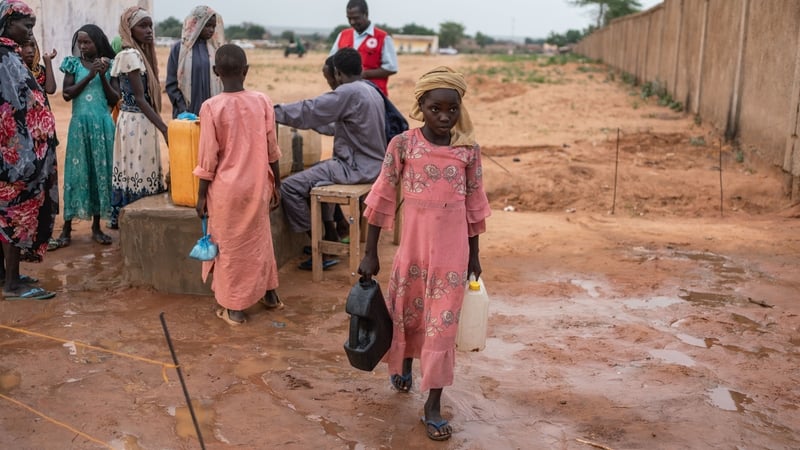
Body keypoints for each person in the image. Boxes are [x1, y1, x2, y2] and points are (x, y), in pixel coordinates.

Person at [357, 66, 491, 441]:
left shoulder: (468, 151)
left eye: (452, 109)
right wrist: (370, 253)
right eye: (436, 109)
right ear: (421, 106)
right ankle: (403, 366)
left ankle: (432, 404)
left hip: (452, 256)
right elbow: (381, 197)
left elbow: (474, 207)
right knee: (408, 315)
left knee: (442, 327)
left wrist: (474, 257)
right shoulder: (403, 145)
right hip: (412, 255)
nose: (445, 117)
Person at [193, 43, 282, 325]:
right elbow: (272, 150)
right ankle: (270, 295)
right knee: (259, 242)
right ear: (246, 71)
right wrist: (276, 184)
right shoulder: (262, 101)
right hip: (258, 187)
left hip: (226, 193)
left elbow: (208, 158)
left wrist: (200, 197)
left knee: (230, 248)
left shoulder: (210, 107)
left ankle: (235, 308)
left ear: (215, 71)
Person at [273, 47, 386, 270]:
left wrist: (273, 111)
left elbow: (310, 110)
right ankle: (335, 233)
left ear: (337, 73)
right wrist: (310, 121)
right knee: (318, 174)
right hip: (373, 164)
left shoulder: (348, 92)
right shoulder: (369, 90)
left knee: (290, 187)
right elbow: (332, 123)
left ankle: (319, 248)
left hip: (355, 168)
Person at [0, 0, 59, 300]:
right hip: (15, 160)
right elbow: (10, 111)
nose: (29, 31)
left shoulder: (10, 55)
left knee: (6, 217)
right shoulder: (4, 58)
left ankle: (7, 276)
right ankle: (12, 284)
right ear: (8, 23)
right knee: (14, 216)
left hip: (17, 157)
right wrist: (21, 158)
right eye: (25, 24)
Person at [49, 24, 119, 250]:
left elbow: (113, 98)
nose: (82, 46)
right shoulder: (72, 64)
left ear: (97, 42)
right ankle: (67, 229)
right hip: (80, 126)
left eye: (87, 42)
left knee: (99, 173)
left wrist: (103, 76)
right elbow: (68, 94)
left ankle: (97, 227)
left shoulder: (109, 66)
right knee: (76, 174)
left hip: (102, 126)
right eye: (80, 42)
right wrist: (90, 75)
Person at [109, 6, 168, 229]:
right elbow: (141, 99)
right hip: (136, 122)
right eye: (143, 26)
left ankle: (133, 219)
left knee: (138, 168)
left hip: (138, 120)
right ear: (129, 29)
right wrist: (164, 128)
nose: (149, 30)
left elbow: (118, 85)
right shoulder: (130, 55)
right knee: (138, 169)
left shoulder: (137, 54)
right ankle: (136, 220)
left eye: (151, 26)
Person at [165, 5, 224, 118]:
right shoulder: (180, 49)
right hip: (186, 113)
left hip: (212, 113)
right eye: (207, 25)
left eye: (213, 26)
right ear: (195, 24)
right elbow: (171, 83)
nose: (211, 30)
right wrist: (183, 110)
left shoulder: (215, 50)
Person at [329, 0, 397, 96]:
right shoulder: (342, 35)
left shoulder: (383, 37)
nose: (352, 22)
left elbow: (391, 68)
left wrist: (363, 74)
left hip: (374, 94)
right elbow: (331, 62)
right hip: (347, 95)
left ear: (366, 14)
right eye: (349, 18)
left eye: (356, 18)